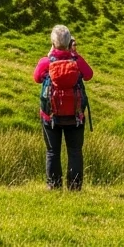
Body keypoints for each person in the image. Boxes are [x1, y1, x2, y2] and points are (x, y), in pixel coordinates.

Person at [33, 24, 93, 190]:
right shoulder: (76, 61)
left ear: (52, 43)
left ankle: (54, 185)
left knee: (52, 151)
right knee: (75, 151)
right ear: (69, 43)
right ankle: (74, 187)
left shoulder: (46, 62)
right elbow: (89, 75)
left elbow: (37, 78)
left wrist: (50, 55)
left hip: (51, 116)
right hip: (75, 116)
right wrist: (75, 54)